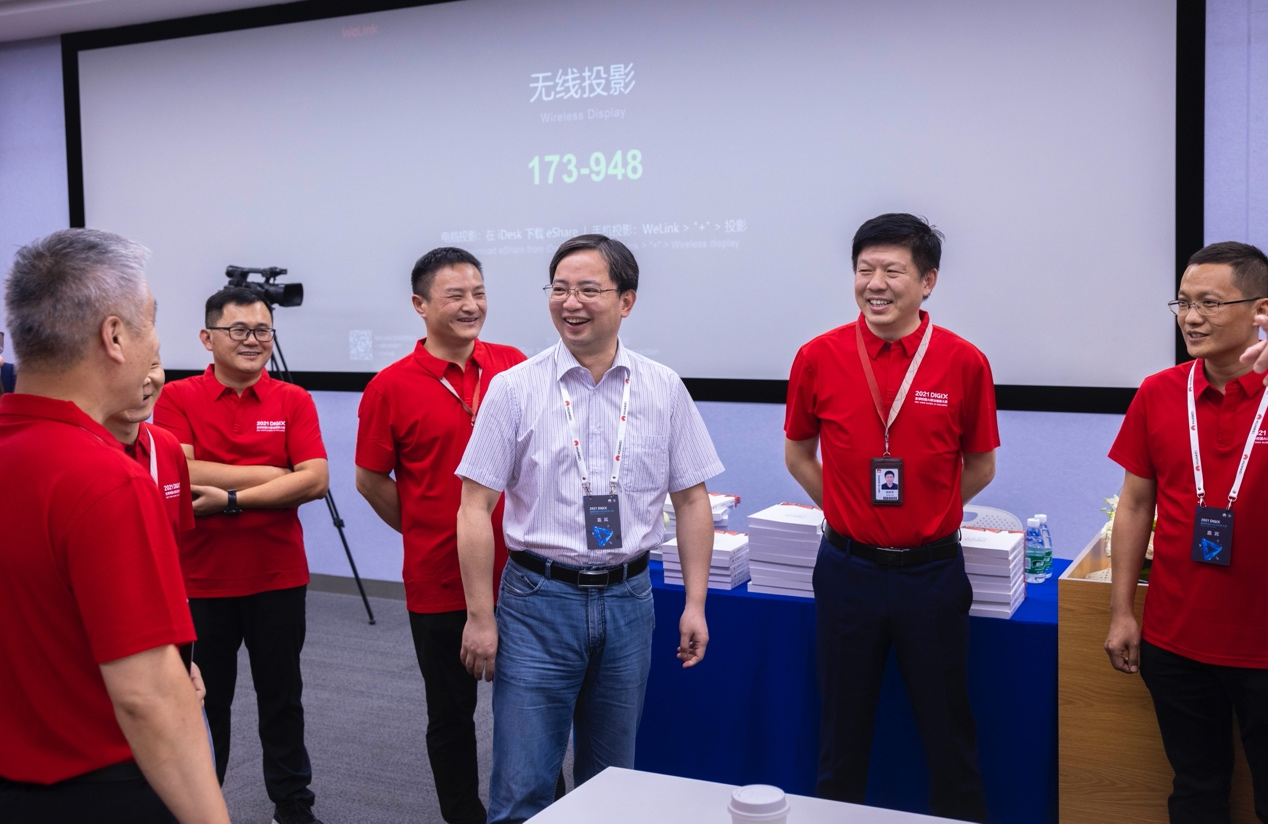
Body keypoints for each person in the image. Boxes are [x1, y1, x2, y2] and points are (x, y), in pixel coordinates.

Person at [455, 234, 724, 824]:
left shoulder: (663, 387)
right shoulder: (514, 388)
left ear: (626, 301)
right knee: (522, 787)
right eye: (559, 289)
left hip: (630, 599)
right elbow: (474, 506)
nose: (570, 302)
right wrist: (480, 616)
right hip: (537, 599)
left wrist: (695, 603)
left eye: (587, 290)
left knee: (611, 785)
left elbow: (691, 499)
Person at [0, 228, 229, 824]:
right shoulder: (105, 481)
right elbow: (147, 697)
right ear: (115, 336)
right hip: (98, 789)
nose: (157, 344)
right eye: (150, 325)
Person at [784, 213, 998, 822]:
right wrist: (846, 511)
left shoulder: (964, 361)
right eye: (864, 269)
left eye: (892, 271)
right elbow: (798, 455)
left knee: (949, 733)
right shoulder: (817, 356)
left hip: (932, 575)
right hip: (847, 571)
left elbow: (980, 466)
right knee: (841, 733)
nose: (875, 284)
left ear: (927, 281)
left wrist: (929, 512)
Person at [355, 247, 526, 824]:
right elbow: (370, 480)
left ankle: (538, 809)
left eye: (478, 293)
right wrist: (429, 528)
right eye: (456, 295)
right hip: (438, 581)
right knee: (451, 715)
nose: (472, 305)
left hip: (524, 577)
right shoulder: (390, 386)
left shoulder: (513, 366)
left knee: (531, 712)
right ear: (420, 305)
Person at [153, 286, 330, 824]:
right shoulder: (176, 398)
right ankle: (204, 807)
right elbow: (182, 472)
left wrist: (230, 499)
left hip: (278, 576)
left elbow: (315, 481)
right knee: (206, 703)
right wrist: (276, 476)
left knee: (283, 698)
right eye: (238, 330)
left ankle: (293, 805)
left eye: (262, 331)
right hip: (200, 580)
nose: (253, 341)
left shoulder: (293, 399)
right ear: (208, 339)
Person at [1105, 241, 1268, 823]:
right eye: (1183, 302)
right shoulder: (1158, 392)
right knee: (1196, 791)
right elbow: (1134, 505)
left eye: (1209, 303)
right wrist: (1122, 612)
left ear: (1261, 310)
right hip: (1176, 640)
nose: (1191, 318)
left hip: (1262, 645)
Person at [105, 358, 194, 538]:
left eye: (152, 365)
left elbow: (178, 539)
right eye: (124, 368)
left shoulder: (167, 444)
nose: (144, 379)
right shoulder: (70, 453)